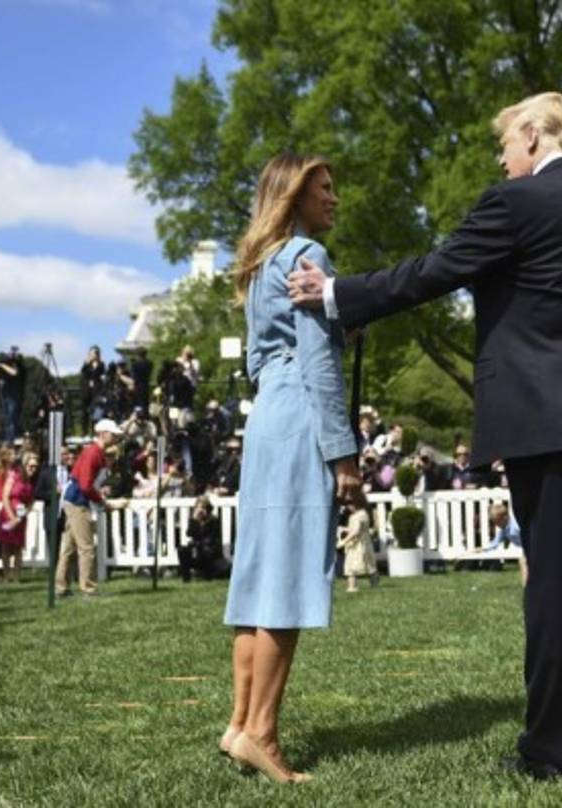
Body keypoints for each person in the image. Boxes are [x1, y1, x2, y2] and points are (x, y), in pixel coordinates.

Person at [287, 92, 562, 777]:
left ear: (534, 134)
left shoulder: (515, 202)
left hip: (550, 417)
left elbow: (435, 271)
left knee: (555, 585)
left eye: (505, 144)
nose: (502, 158)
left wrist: (336, 293)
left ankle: (550, 751)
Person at [219, 152, 361, 785]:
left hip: (266, 418)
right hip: (301, 414)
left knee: (257, 581)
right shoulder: (308, 257)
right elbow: (320, 365)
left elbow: (256, 361)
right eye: (325, 189)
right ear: (295, 195)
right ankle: (263, 734)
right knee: (287, 580)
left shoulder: (258, 266)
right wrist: (343, 449)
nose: (334, 199)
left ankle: (238, 723)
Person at [56, 420, 120, 599]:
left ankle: (62, 587)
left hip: (73, 499)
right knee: (86, 547)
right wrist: (101, 501)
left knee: (69, 547)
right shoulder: (94, 453)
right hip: (78, 500)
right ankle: (89, 589)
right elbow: (85, 485)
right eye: (113, 434)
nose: (116, 437)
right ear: (103, 433)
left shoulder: (94, 451)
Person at [0, 448, 35, 584]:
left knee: (18, 547)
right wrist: (11, 517)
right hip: (7, 513)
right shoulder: (13, 475)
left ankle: (17, 576)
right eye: (30, 465)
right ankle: (6, 576)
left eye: (35, 466)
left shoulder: (28, 479)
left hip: (21, 516)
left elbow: (31, 500)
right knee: (6, 546)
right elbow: (5, 496)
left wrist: (24, 514)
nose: (32, 469)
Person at [180, 496, 230, 581]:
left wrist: (202, 526)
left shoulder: (214, 521)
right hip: (197, 553)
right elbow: (189, 533)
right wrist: (194, 520)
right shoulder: (194, 520)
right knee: (182, 550)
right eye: (198, 507)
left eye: (203, 507)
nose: (200, 510)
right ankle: (186, 577)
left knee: (204, 550)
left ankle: (207, 575)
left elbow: (211, 539)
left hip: (210, 555)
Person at [336, 491, 378, 592]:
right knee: (368, 564)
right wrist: (344, 529)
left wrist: (343, 541)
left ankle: (352, 587)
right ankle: (373, 583)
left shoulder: (360, 515)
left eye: (349, 504)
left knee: (351, 567)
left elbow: (356, 531)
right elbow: (355, 528)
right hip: (361, 544)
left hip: (358, 545)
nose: (347, 507)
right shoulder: (358, 514)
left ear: (357, 503)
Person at [80, 346, 107, 433]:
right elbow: (83, 372)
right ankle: (84, 431)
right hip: (87, 391)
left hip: (96, 390)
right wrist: (87, 362)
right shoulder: (87, 364)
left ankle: (94, 430)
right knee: (85, 411)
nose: (94, 355)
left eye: (95, 353)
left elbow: (102, 375)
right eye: (92, 353)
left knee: (96, 411)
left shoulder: (101, 364)